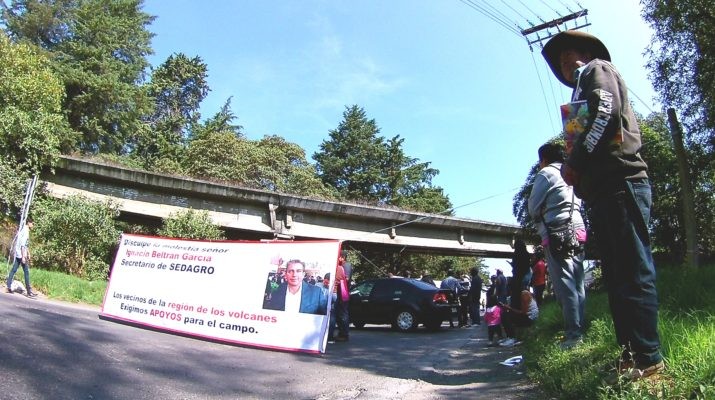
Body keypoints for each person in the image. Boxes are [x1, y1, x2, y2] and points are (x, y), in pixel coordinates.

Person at [542, 30, 664, 379]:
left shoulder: (598, 69)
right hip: (602, 192)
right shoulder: (580, 89)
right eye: (561, 62)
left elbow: (606, 111)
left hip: (622, 183)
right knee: (617, 277)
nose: (567, 64)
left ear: (586, 54)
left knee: (632, 272)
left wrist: (574, 162)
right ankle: (631, 357)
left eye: (571, 56)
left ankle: (649, 360)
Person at [528, 142, 587, 349]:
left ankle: (573, 335)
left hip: (557, 232)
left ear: (543, 159)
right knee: (578, 281)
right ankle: (580, 328)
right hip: (578, 228)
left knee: (564, 285)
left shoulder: (546, 174)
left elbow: (533, 207)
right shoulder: (571, 172)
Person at [7, 217, 37, 298]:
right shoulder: (26, 231)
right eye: (32, 223)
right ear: (29, 223)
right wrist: (24, 256)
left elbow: (25, 244)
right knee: (26, 272)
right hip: (21, 254)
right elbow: (23, 245)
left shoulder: (24, 230)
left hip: (18, 253)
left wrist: (29, 253)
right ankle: (29, 292)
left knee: (14, 269)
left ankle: (9, 286)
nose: (33, 225)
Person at [335, 250, 352, 342]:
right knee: (339, 313)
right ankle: (341, 332)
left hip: (344, 292)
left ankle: (344, 334)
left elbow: (346, 278)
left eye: (339, 257)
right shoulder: (343, 266)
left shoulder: (346, 265)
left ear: (342, 257)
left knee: (343, 314)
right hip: (340, 292)